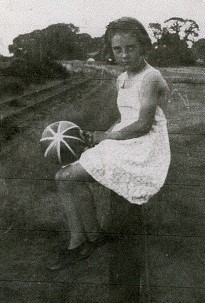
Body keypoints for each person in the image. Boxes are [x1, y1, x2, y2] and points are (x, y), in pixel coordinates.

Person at [49, 17, 171, 270]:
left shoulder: (151, 77)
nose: (124, 55)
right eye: (118, 49)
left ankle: (81, 241)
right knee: (64, 177)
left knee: (66, 177)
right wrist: (100, 137)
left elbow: (142, 125)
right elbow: (125, 117)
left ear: (144, 47)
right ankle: (89, 237)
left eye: (131, 48)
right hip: (126, 138)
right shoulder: (122, 77)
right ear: (111, 50)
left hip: (144, 146)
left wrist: (104, 138)